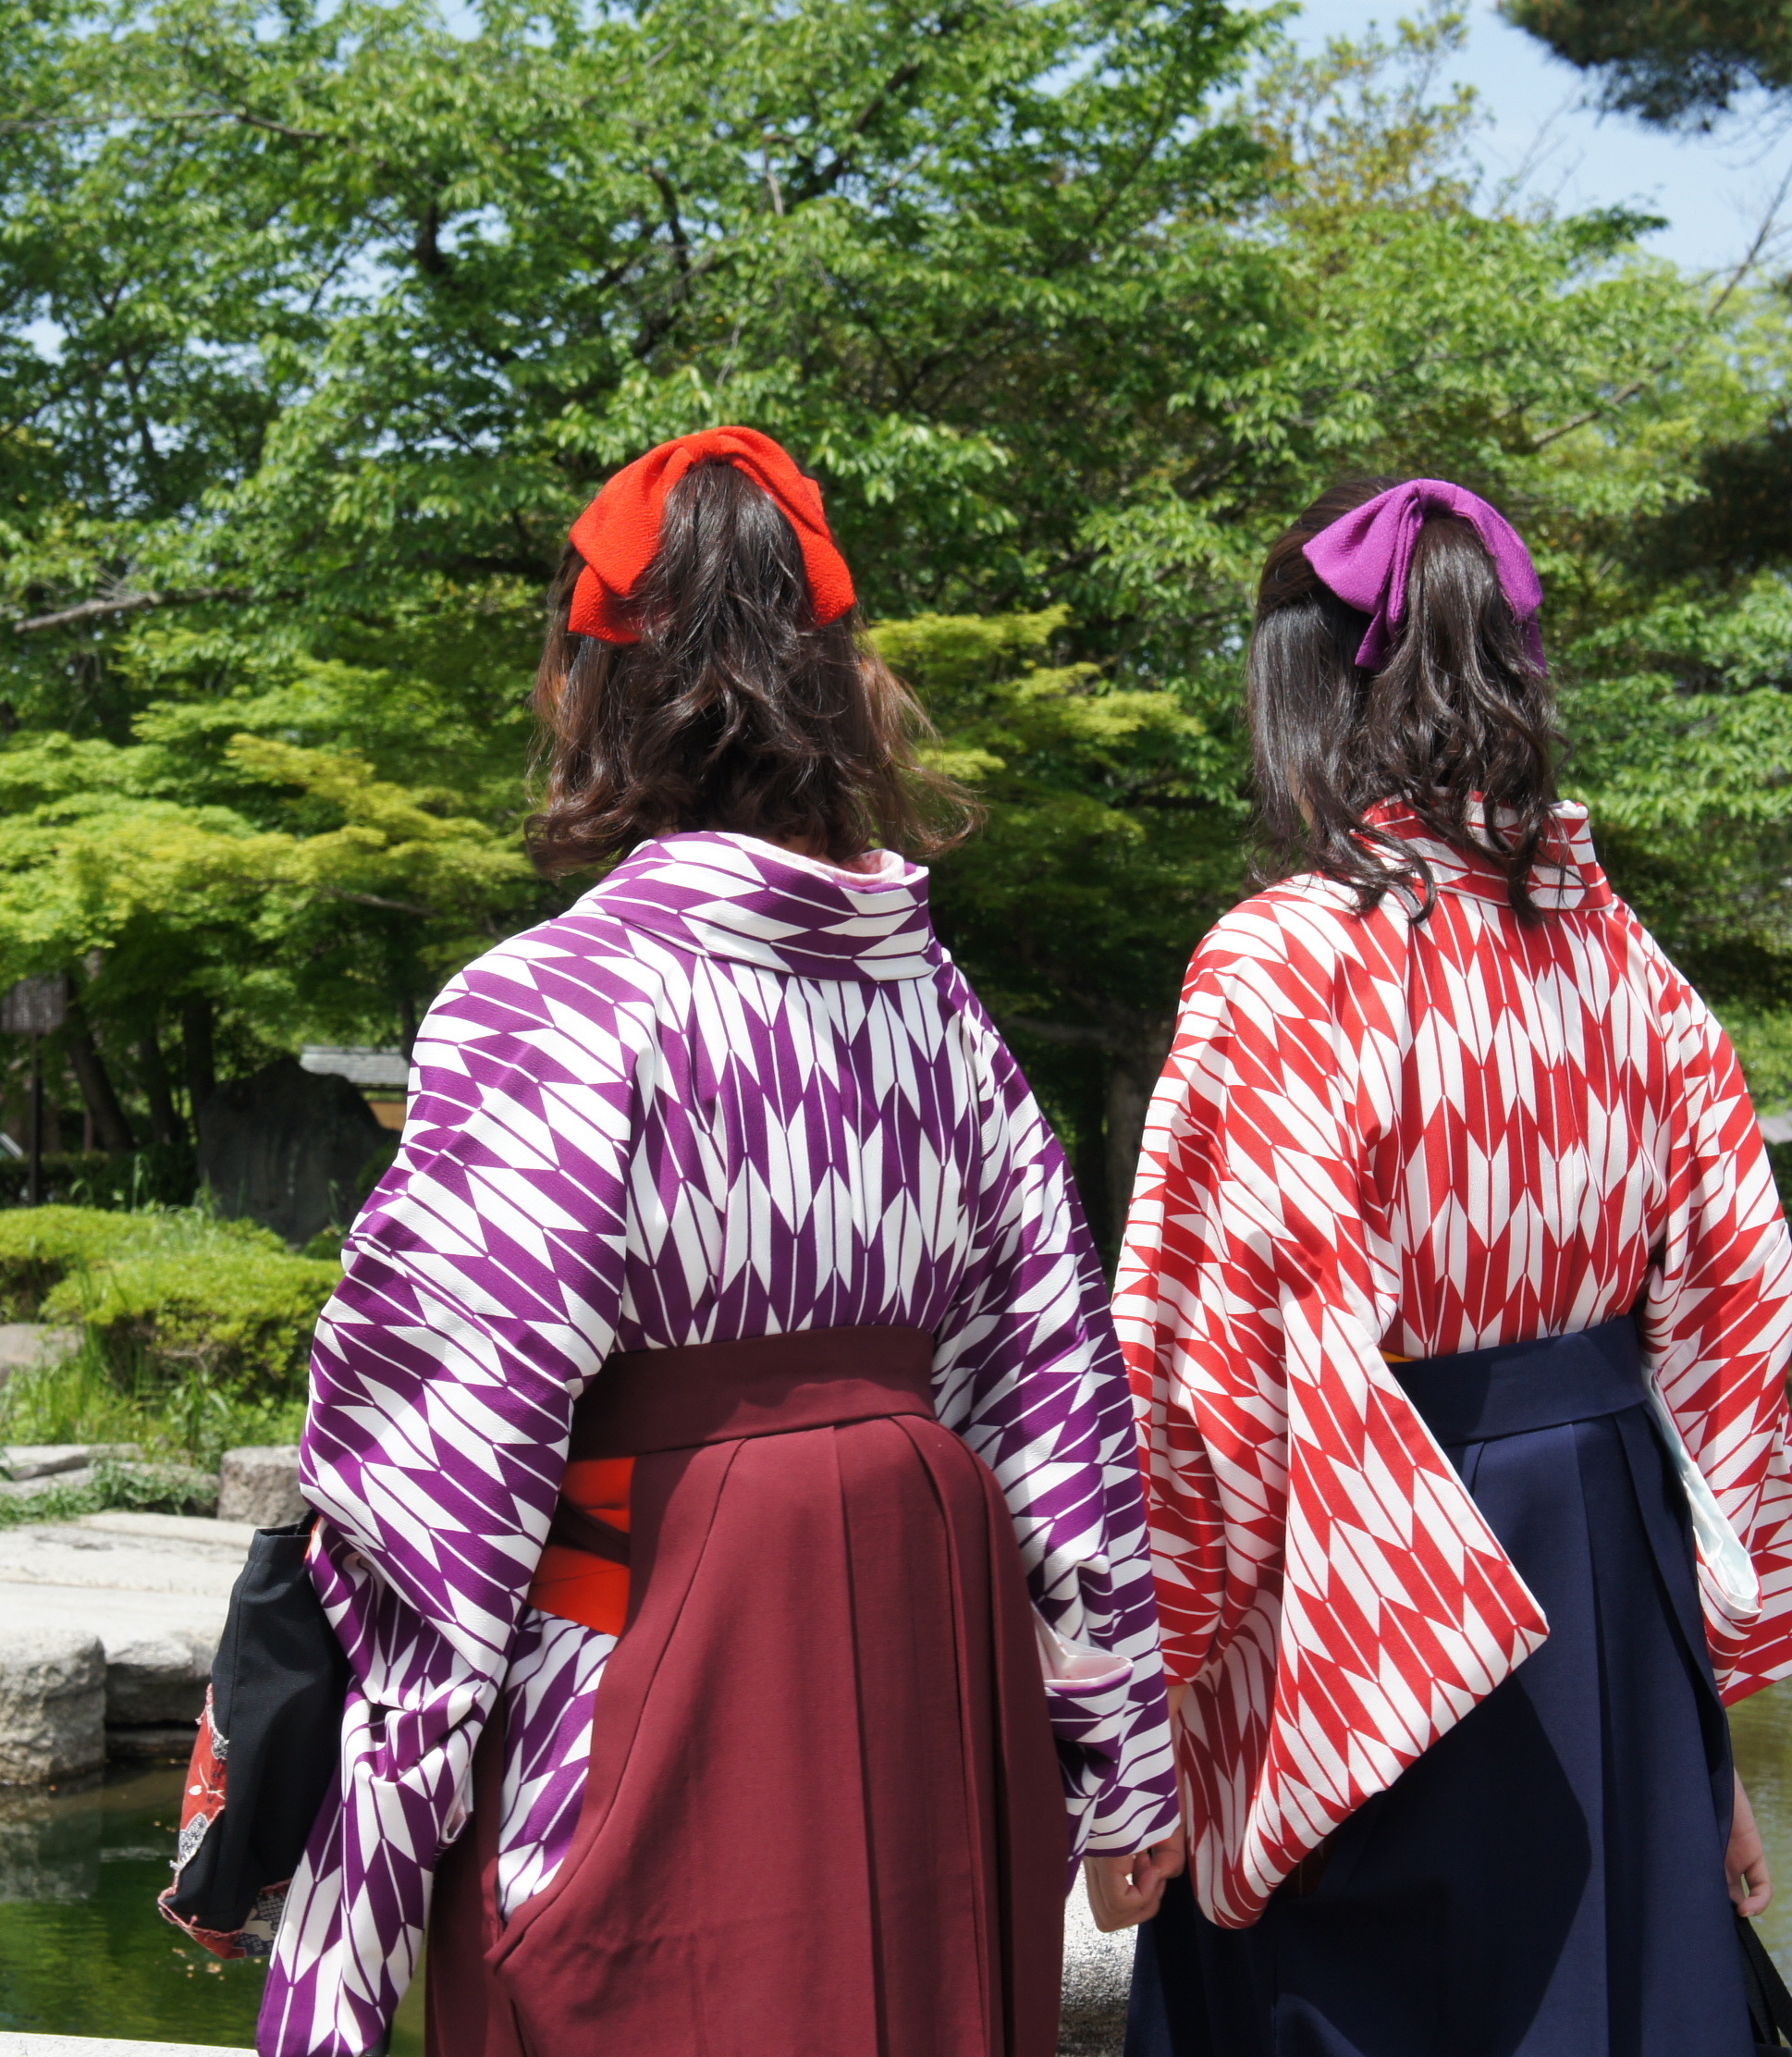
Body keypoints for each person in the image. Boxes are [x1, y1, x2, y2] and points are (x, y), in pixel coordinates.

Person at [254, 427, 1184, 2057]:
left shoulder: (551, 1006)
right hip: (928, 1666)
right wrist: (1125, 1775)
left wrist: (340, 1954)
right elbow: (1057, 1405)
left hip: (663, 1672)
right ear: (835, 690)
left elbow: (433, 1508)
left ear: (597, 688)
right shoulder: (933, 1003)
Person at [1111, 478, 1792, 2056]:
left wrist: (1145, 1712)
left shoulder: (1284, 962)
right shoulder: (1621, 956)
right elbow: (1738, 1310)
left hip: (1385, 1571)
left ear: (1300, 688)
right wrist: (1707, 1717)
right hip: (1608, 1544)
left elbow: (1212, 1390)